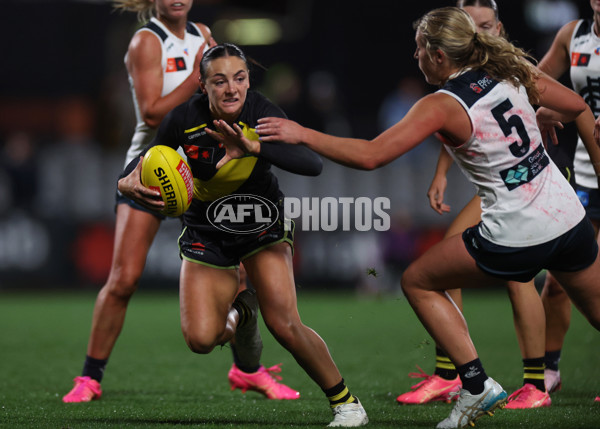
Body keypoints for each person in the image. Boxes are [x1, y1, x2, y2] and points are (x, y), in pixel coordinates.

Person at [252, 7, 600, 427]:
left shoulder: (442, 103)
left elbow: (371, 155)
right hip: (569, 218)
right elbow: (578, 105)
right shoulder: (512, 69)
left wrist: (302, 133)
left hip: (518, 233)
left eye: (418, 49)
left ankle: (475, 384)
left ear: (438, 55)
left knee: (417, 281)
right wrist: (543, 115)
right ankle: (489, 382)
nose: (414, 57)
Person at [117, 43, 368, 427]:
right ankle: (244, 310)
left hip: (260, 220)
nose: (231, 89)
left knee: (284, 324)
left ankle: (346, 403)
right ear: (203, 86)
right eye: (219, 81)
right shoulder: (183, 118)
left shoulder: (261, 112)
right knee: (201, 339)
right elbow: (151, 155)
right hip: (206, 227)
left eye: (239, 78)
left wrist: (256, 146)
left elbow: (312, 163)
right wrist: (126, 180)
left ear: (249, 81)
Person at [63, 0, 298, 403]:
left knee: (239, 276)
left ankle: (248, 370)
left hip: (210, 166)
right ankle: (90, 378)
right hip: (157, 168)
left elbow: (227, 93)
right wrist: (198, 79)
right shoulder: (146, 42)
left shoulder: (203, 34)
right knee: (123, 278)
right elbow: (153, 114)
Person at [397, 0, 600, 410]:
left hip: (536, 182)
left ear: (499, 27)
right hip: (516, 182)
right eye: (468, 24)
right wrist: (441, 171)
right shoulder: (556, 43)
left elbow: (555, 103)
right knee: (462, 258)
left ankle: (533, 381)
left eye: (484, 24)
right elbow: (464, 123)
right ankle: (455, 375)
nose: (475, 32)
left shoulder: (500, 64)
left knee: (522, 270)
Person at [535, 0, 600, 397]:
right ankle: (549, 370)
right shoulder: (573, 36)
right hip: (585, 173)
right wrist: (541, 109)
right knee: (557, 281)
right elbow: (535, 82)